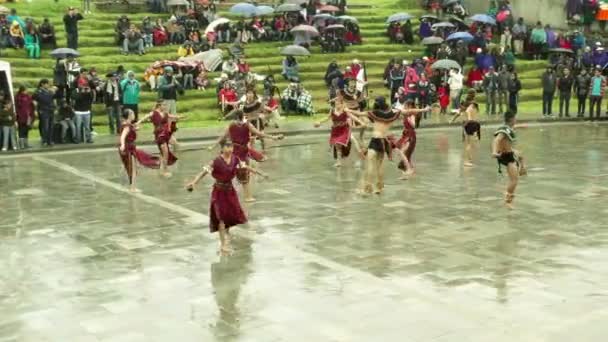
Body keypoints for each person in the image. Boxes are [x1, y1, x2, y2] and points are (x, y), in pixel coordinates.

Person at [186, 139, 265, 255]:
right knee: (221, 218)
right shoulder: (216, 161)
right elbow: (203, 172)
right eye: (227, 147)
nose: (230, 149)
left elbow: (246, 167)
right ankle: (223, 245)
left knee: (228, 218)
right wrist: (194, 182)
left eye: (231, 147)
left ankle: (226, 239)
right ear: (222, 148)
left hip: (230, 191)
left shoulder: (235, 159)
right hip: (218, 192)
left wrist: (260, 173)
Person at [208, 110, 282, 202]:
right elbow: (259, 134)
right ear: (242, 116)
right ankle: (247, 196)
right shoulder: (247, 124)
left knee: (237, 171)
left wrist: (213, 146)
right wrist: (273, 137)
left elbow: (222, 137)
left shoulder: (232, 125)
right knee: (244, 172)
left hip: (235, 150)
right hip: (240, 151)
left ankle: (230, 194)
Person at [347, 97, 405, 195]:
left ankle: (367, 188)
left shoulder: (374, 113)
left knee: (369, 164)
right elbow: (406, 111)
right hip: (384, 141)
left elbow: (359, 113)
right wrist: (423, 110)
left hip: (375, 139)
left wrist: (347, 110)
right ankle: (379, 188)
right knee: (379, 165)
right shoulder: (391, 114)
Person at [314, 99, 365, 167]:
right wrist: (320, 122)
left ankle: (360, 155)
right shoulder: (332, 110)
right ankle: (339, 162)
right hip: (336, 130)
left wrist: (360, 122)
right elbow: (327, 117)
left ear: (341, 104)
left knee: (353, 140)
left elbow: (352, 116)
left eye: (338, 104)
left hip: (344, 129)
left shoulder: (345, 110)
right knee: (337, 145)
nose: (337, 105)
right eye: (335, 104)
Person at [119, 109, 161, 192]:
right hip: (128, 148)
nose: (134, 114)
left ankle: (128, 183)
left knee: (131, 167)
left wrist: (135, 129)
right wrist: (123, 145)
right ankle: (132, 188)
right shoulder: (127, 126)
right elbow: (123, 136)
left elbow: (131, 129)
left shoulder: (127, 124)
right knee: (133, 169)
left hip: (130, 147)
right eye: (133, 113)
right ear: (129, 115)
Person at [136, 101, 182, 177]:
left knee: (176, 145)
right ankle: (164, 170)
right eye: (164, 105)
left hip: (166, 134)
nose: (165, 107)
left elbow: (171, 116)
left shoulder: (165, 113)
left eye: (165, 105)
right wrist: (138, 123)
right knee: (165, 153)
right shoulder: (154, 113)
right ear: (159, 105)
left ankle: (163, 163)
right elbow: (145, 117)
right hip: (160, 135)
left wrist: (179, 117)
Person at [492, 111, 527, 209]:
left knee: (520, 154)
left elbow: (512, 128)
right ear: (511, 119)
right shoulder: (504, 130)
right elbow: (497, 140)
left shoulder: (507, 127)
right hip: (506, 156)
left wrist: (521, 126)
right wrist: (494, 152)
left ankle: (522, 168)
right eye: (515, 118)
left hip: (509, 152)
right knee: (514, 180)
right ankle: (508, 201)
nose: (516, 120)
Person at [392, 100, 431, 179]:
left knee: (402, 152)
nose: (404, 106)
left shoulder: (411, 113)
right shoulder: (407, 113)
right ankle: (407, 173)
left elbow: (412, 118)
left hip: (410, 136)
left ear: (409, 106)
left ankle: (409, 169)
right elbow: (400, 113)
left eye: (405, 105)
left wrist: (424, 110)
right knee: (405, 154)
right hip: (406, 135)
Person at [452, 91, 481, 167]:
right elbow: (473, 116)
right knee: (470, 144)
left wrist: (453, 120)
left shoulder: (465, 104)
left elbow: (460, 113)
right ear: (474, 96)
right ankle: (468, 160)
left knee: (468, 143)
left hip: (468, 124)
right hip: (473, 124)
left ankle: (468, 160)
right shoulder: (474, 105)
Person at [32, 79, 56, 147]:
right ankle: (44, 140)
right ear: (42, 84)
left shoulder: (49, 91)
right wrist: (35, 110)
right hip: (43, 110)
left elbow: (53, 99)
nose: (48, 85)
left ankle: (50, 140)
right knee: (45, 126)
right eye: (47, 84)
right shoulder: (38, 92)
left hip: (51, 110)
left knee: (51, 126)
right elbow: (35, 101)